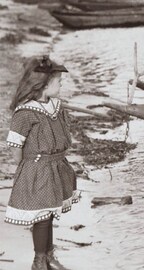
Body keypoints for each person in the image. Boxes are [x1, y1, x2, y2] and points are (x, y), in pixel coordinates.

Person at [5, 55, 80, 270]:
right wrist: (25, 168)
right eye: (58, 81)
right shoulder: (25, 112)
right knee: (42, 216)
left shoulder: (56, 106)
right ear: (44, 85)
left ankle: (48, 256)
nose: (61, 83)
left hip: (56, 166)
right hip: (37, 168)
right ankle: (39, 261)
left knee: (49, 212)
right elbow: (15, 146)